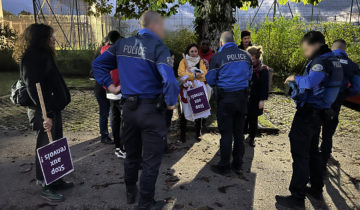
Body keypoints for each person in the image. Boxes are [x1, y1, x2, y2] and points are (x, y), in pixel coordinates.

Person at [92, 11, 179, 210]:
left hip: (128, 111)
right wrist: (171, 103)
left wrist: (110, 86)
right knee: (150, 161)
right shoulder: (159, 47)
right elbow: (170, 80)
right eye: (162, 25)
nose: (163, 29)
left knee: (131, 155)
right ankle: (146, 203)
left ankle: (131, 192)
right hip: (152, 111)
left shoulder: (121, 45)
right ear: (154, 24)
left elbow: (98, 65)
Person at [276, 31, 343, 208]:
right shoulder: (333, 60)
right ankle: (316, 187)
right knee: (313, 151)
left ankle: (297, 196)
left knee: (300, 153)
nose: (305, 53)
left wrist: (294, 78)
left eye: (306, 49)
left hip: (308, 113)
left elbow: (310, 82)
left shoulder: (321, 61)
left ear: (314, 44)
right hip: (321, 112)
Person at [13, 23, 73, 202]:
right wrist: (45, 114)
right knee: (46, 146)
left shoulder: (43, 54)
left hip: (52, 108)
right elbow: (33, 87)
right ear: (42, 38)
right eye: (51, 36)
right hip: (43, 110)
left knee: (55, 143)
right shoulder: (31, 57)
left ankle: (56, 179)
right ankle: (45, 184)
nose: (54, 39)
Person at [205, 31, 253, 175]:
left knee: (226, 134)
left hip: (226, 99)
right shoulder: (246, 55)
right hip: (242, 98)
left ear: (221, 42)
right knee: (238, 132)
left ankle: (224, 166)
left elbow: (211, 80)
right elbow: (249, 76)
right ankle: (238, 163)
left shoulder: (218, 57)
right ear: (234, 40)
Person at [320, 39, 360, 170]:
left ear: (332, 49)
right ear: (344, 50)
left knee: (314, 132)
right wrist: (345, 95)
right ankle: (323, 162)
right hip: (335, 104)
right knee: (327, 134)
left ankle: (312, 164)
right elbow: (357, 87)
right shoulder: (352, 66)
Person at [100, 30, 125, 158]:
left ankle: (118, 147)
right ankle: (122, 147)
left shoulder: (104, 50)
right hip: (120, 88)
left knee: (115, 118)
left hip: (108, 89)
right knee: (124, 119)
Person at [178, 43, 208, 142]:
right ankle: (182, 134)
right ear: (188, 52)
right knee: (184, 111)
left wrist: (197, 76)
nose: (194, 53)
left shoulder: (201, 62)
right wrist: (194, 76)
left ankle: (198, 133)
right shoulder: (183, 61)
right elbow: (181, 74)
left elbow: (204, 75)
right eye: (192, 51)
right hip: (187, 89)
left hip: (198, 89)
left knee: (199, 109)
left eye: (195, 51)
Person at [244, 46, 270, 147]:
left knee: (253, 119)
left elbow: (264, 87)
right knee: (244, 117)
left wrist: (262, 100)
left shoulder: (263, 69)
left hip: (256, 98)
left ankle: (252, 138)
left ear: (256, 56)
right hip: (245, 96)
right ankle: (242, 134)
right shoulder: (245, 67)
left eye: (250, 57)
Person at [92, 36, 113, 144]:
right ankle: (107, 135)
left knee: (104, 112)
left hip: (100, 89)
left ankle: (104, 135)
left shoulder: (98, 56)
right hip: (107, 89)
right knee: (110, 112)